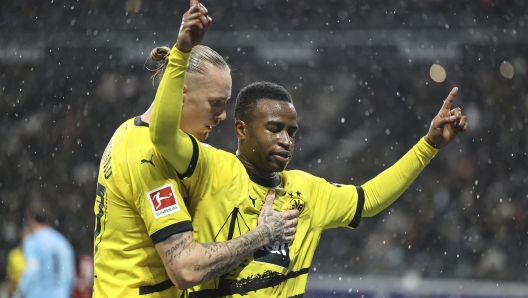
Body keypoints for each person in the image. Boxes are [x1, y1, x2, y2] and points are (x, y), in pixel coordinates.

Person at [149, 20, 468, 298]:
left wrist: (428, 146)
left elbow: (369, 198)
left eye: (292, 131)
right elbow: (162, 134)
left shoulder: (306, 191)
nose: (286, 140)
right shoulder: (210, 168)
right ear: (242, 130)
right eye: (274, 129)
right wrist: (181, 54)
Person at [92, 1, 298, 297]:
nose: (223, 115)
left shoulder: (126, 131)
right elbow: (186, 268)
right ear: (181, 92)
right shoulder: (149, 156)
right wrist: (263, 235)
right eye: (215, 103)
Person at [17, 200, 76, 298]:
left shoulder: (33, 242)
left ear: (31, 219)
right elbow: (70, 275)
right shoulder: (63, 242)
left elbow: (32, 270)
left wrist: (20, 291)